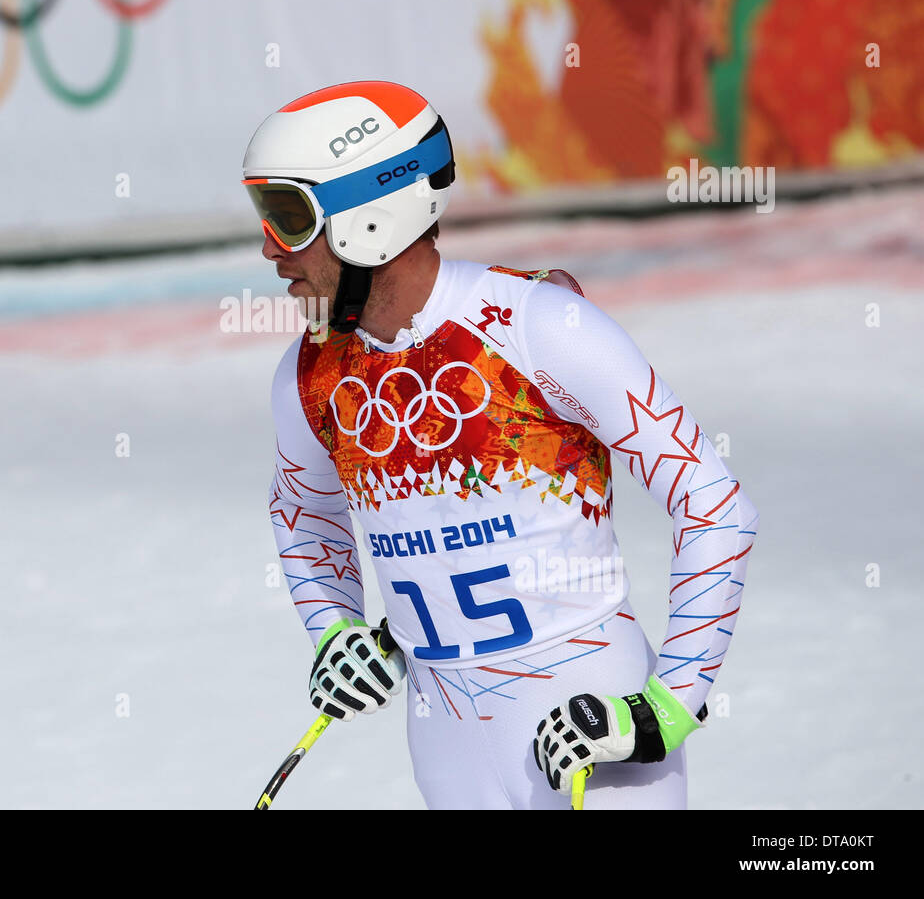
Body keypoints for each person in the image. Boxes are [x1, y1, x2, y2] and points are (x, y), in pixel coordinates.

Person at [245, 80, 758, 809]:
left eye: (288, 216)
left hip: (587, 734)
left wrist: (663, 710)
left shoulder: (539, 326)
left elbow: (714, 504)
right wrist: (335, 631)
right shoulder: (310, 373)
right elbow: (303, 514)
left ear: (369, 218)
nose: (270, 248)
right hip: (447, 746)